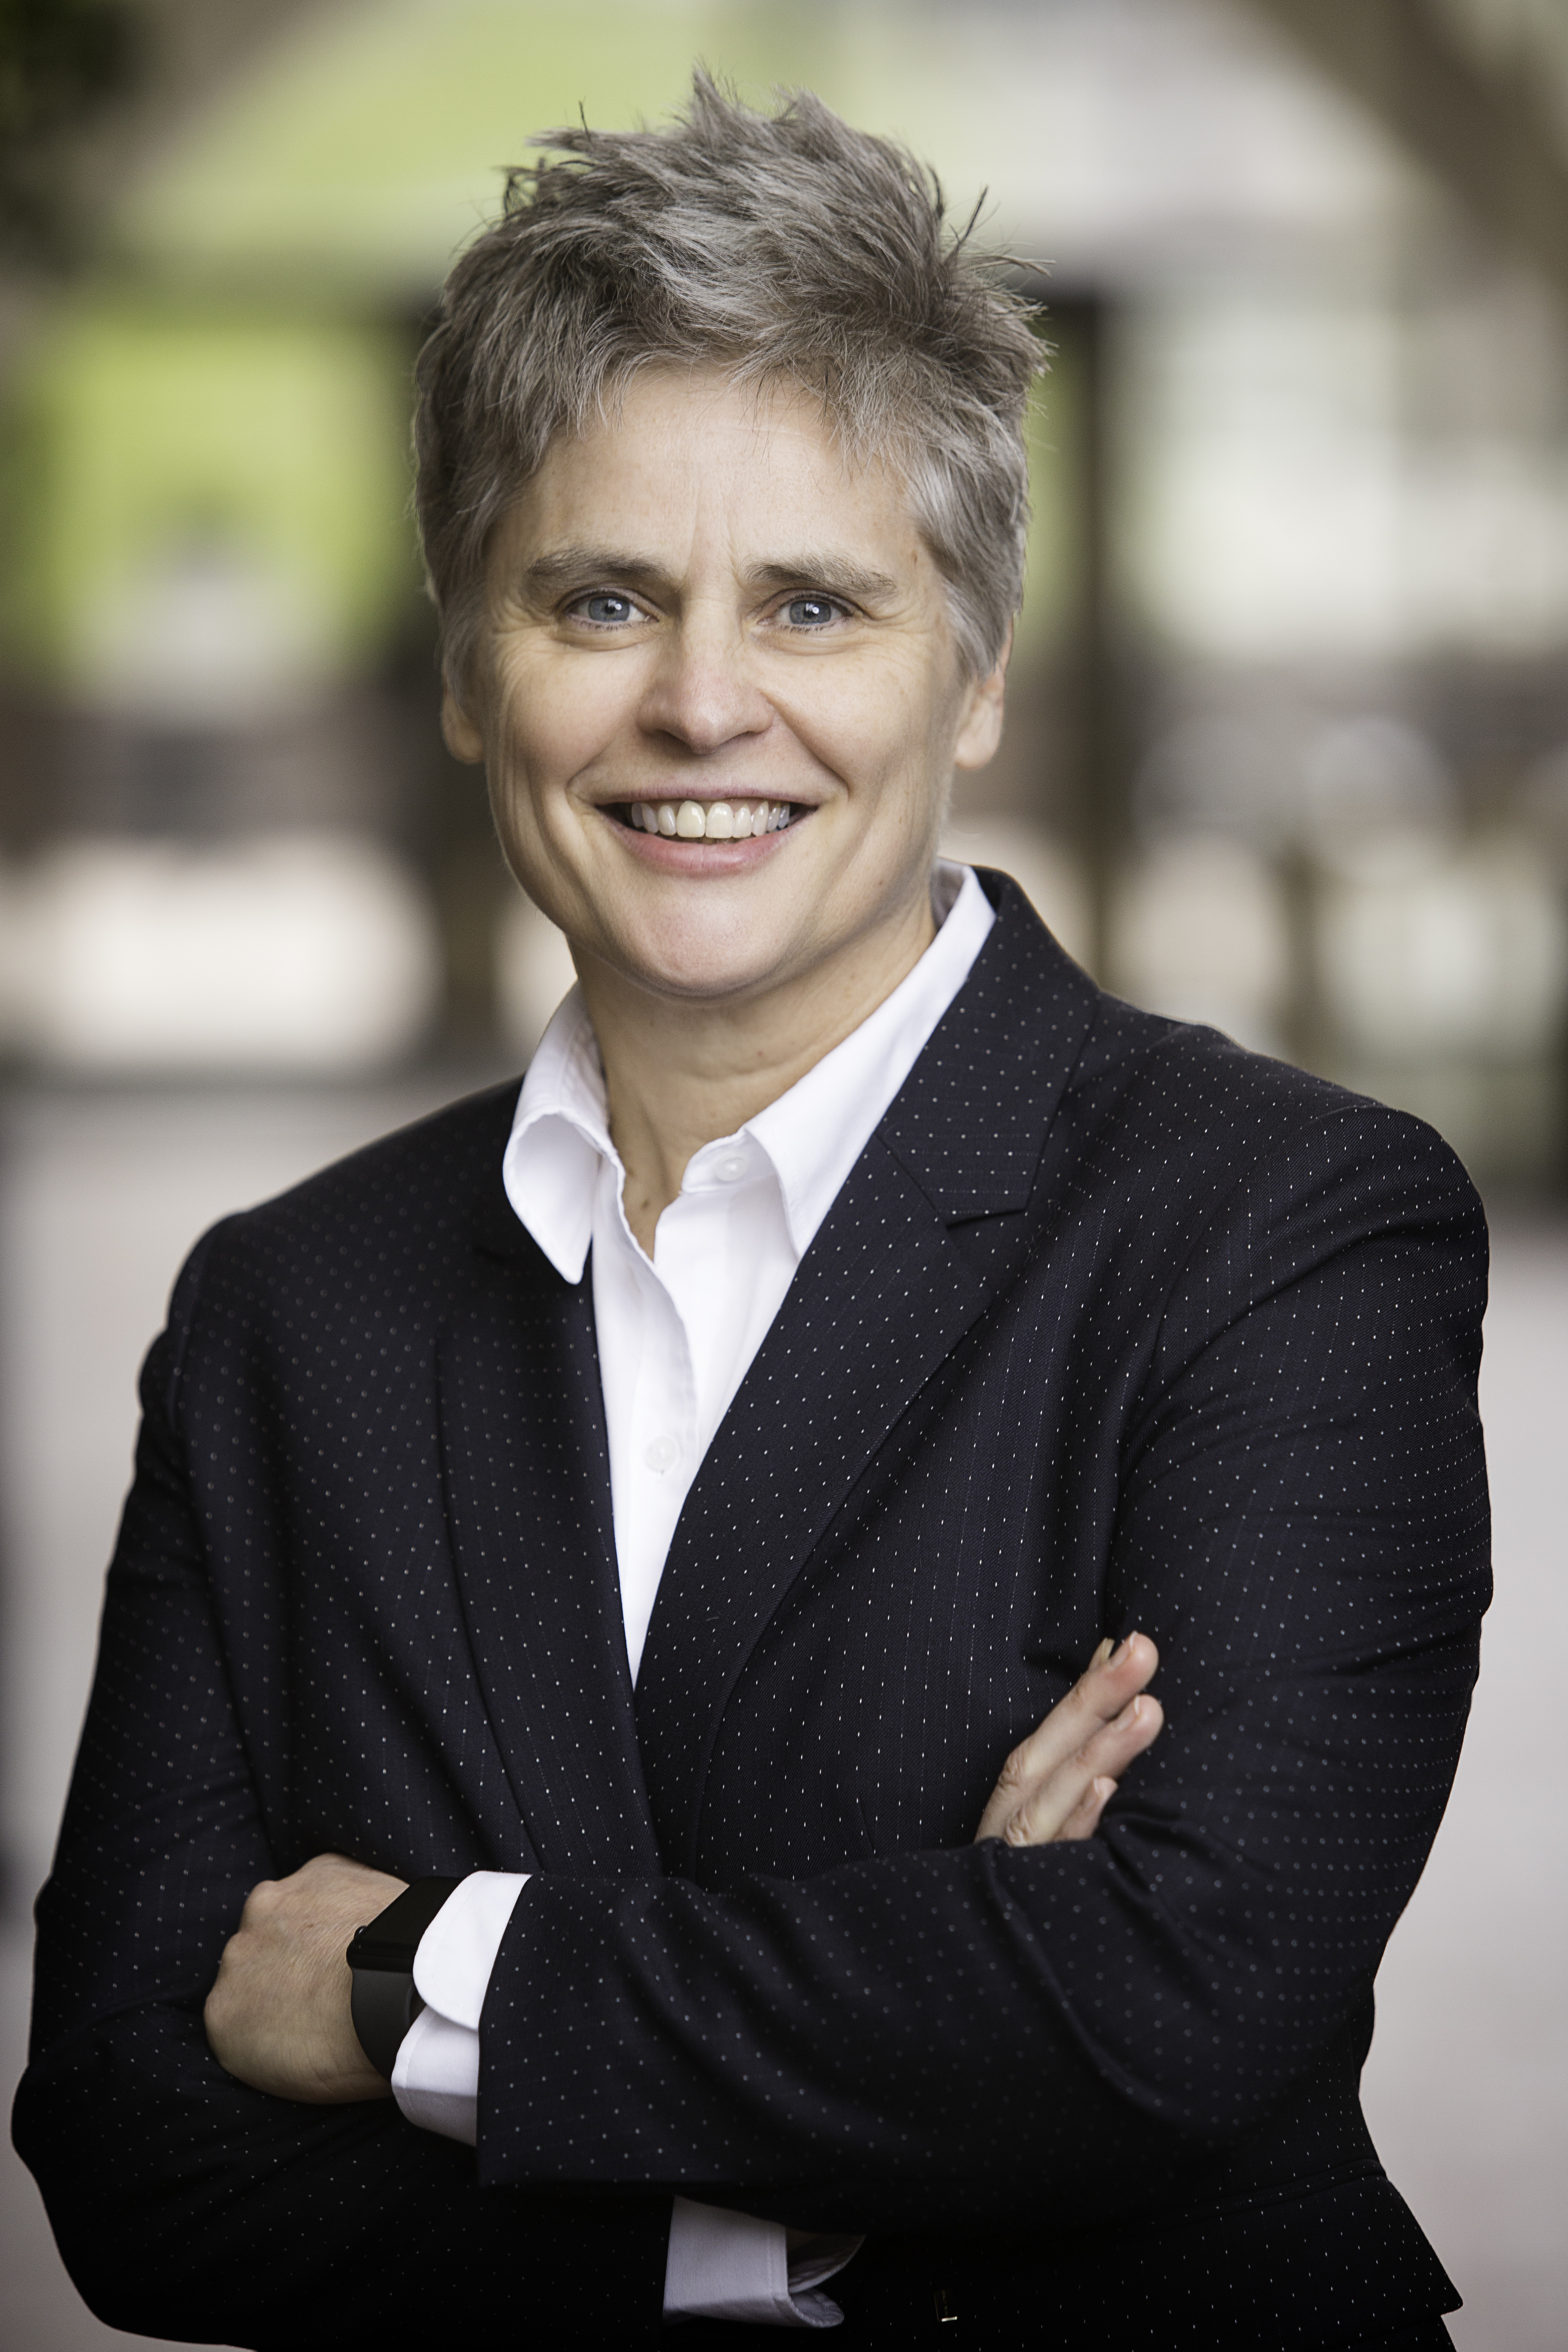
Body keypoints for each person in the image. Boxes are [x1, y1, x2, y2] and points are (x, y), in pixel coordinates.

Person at [14, 76, 1488, 2351]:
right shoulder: (285, 1312)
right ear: (459, 671)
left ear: (973, 669)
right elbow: (134, 2154)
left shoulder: (1281, 1234)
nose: (702, 704)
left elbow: (1165, 2010)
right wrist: (877, 2125)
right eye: (597, 598)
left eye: (813, 602)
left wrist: (419, 1973)